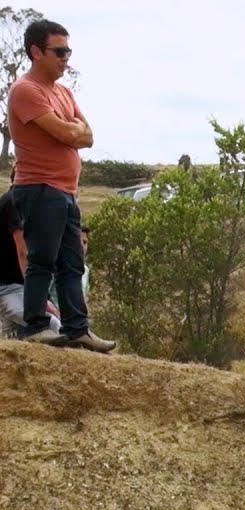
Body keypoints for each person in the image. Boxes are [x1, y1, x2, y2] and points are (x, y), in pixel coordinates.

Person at [7, 19, 113, 351]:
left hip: (65, 191)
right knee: (43, 260)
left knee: (72, 263)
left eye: (68, 51)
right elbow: (70, 133)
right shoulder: (26, 90)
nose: (66, 57)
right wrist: (71, 131)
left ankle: (77, 328)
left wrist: (73, 131)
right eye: (59, 51)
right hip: (39, 188)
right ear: (35, 51)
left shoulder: (63, 92)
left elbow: (88, 135)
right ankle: (35, 325)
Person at [0, 188, 61, 338]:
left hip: (17, 285)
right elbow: (23, 252)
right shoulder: (14, 201)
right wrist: (40, 299)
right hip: (8, 287)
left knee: (15, 337)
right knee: (51, 324)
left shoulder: (24, 203)